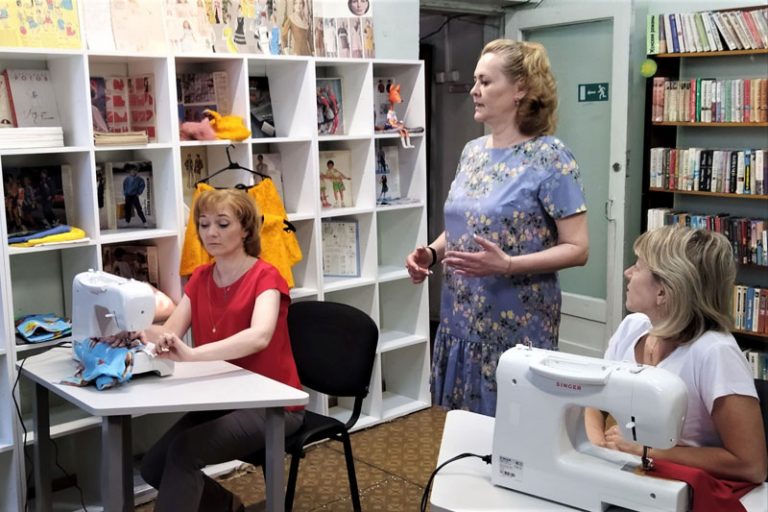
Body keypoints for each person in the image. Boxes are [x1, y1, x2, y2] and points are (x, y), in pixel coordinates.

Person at [405, 39, 588, 416]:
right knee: (462, 429)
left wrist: (508, 265)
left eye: (486, 82)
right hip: (459, 317)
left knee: (513, 430)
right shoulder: (472, 152)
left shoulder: (551, 157)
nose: (474, 90)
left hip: (516, 326)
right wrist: (432, 253)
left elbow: (578, 248)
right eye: (475, 80)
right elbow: (468, 224)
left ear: (520, 89)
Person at [139, 189, 304, 511]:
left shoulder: (267, 276)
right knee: (153, 466)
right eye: (204, 224)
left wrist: (192, 354)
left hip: (273, 404)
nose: (210, 233)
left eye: (223, 224)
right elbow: (170, 331)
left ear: (246, 230)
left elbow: (259, 336)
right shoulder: (201, 277)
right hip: (224, 397)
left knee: (183, 452)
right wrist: (136, 331)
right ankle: (228, 506)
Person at [585, 226, 767, 484]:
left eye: (638, 266)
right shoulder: (632, 327)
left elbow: (751, 465)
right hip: (634, 478)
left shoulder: (716, 353)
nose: (628, 273)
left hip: (685, 489)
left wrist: (647, 451)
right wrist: (597, 449)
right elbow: (593, 400)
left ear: (663, 291)